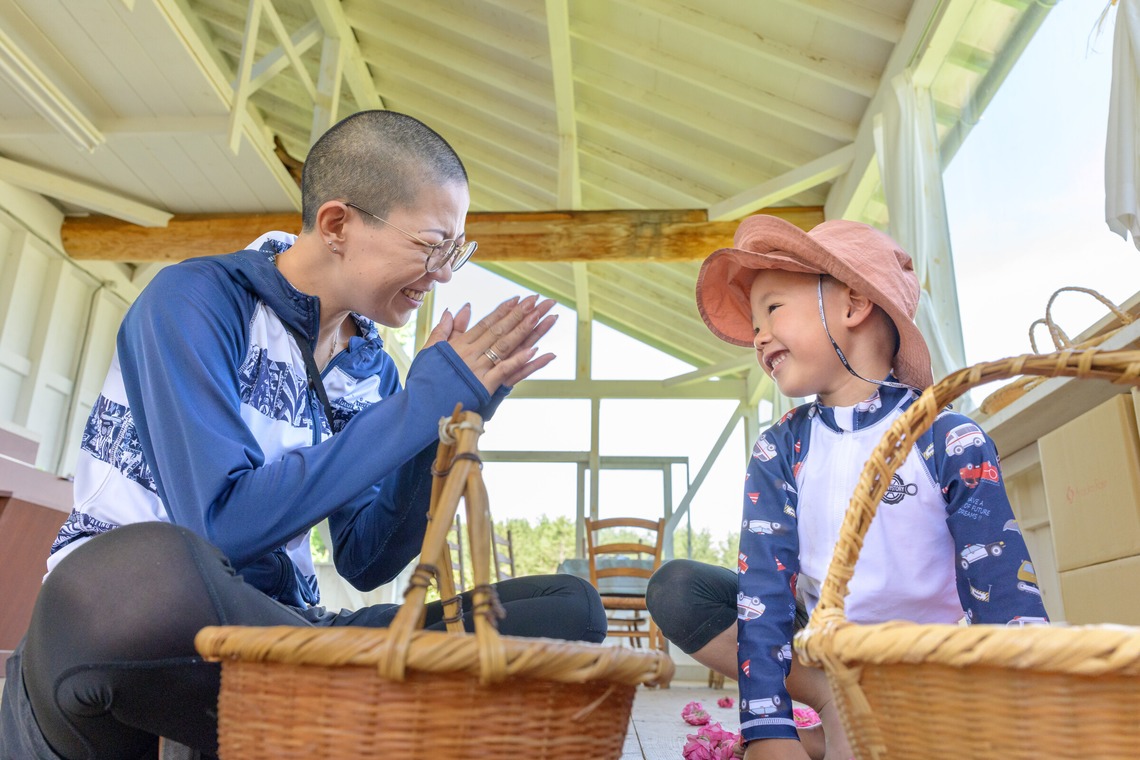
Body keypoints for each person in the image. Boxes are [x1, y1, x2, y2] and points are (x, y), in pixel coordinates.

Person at [0, 110, 606, 760]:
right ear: (338, 225)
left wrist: (439, 424)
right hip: (131, 619)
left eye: (456, 252)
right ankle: (347, 706)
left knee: (565, 612)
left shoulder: (369, 369)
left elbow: (367, 560)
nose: (445, 275)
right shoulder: (197, 299)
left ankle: (327, 706)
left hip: (282, 631)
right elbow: (219, 523)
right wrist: (421, 401)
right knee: (152, 568)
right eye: (434, 246)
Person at [646, 215, 1050, 760]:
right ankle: (834, 708)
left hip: (930, 669)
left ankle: (874, 729)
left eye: (772, 309)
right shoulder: (780, 449)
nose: (759, 336)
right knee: (676, 585)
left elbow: (1002, 590)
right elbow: (764, 595)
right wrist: (767, 729)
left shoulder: (947, 438)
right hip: (825, 658)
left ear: (853, 305)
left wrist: (1025, 715)